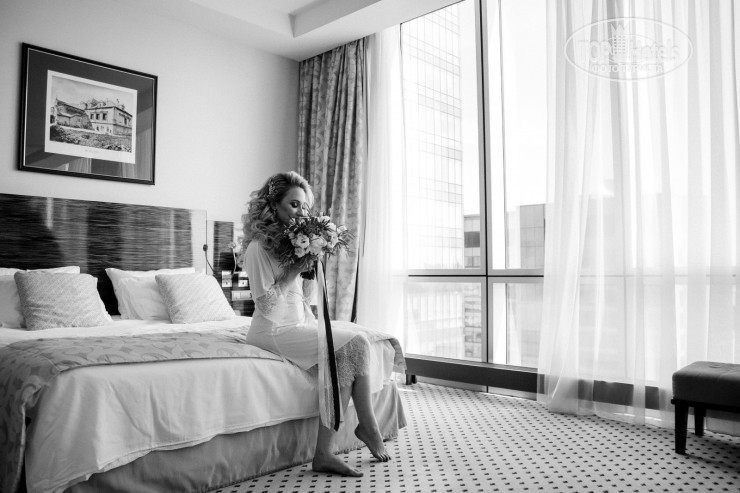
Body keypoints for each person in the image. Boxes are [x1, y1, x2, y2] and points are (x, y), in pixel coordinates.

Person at [241, 171, 396, 477]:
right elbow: (266, 305)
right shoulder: (257, 248)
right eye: (294, 204)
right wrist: (294, 270)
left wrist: (311, 266)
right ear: (274, 205)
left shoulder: (292, 244)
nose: (301, 212)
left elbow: (303, 298)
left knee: (352, 347)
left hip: (298, 324)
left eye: (305, 206)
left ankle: (326, 452)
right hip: (271, 331)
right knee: (354, 342)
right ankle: (366, 426)